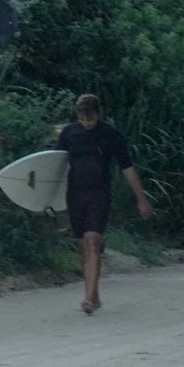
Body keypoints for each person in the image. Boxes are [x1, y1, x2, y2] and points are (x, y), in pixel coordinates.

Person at [55, 94, 151, 315]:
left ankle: (89, 298)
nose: (87, 123)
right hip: (75, 195)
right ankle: (94, 293)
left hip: (99, 195)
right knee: (82, 246)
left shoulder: (111, 135)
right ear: (77, 116)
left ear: (98, 114)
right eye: (82, 119)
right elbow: (55, 165)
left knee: (93, 241)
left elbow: (127, 168)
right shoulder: (69, 133)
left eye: (90, 119)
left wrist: (141, 199)